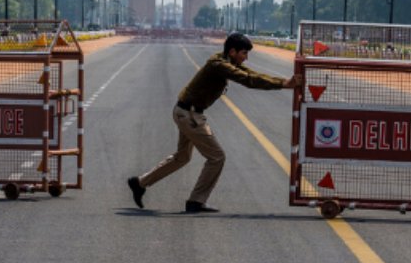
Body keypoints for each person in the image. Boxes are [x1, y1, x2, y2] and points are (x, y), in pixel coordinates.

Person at [127, 33, 302, 213]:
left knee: (182, 157)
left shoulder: (227, 62)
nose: (246, 57)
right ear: (232, 51)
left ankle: (140, 183)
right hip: (190, 115)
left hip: (187, 112)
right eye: (244, 53)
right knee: (217, 157)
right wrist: (284, 84)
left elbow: (251, 74)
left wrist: (283, 82)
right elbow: (248, 80)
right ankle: (196, 201)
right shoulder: (218, 65)